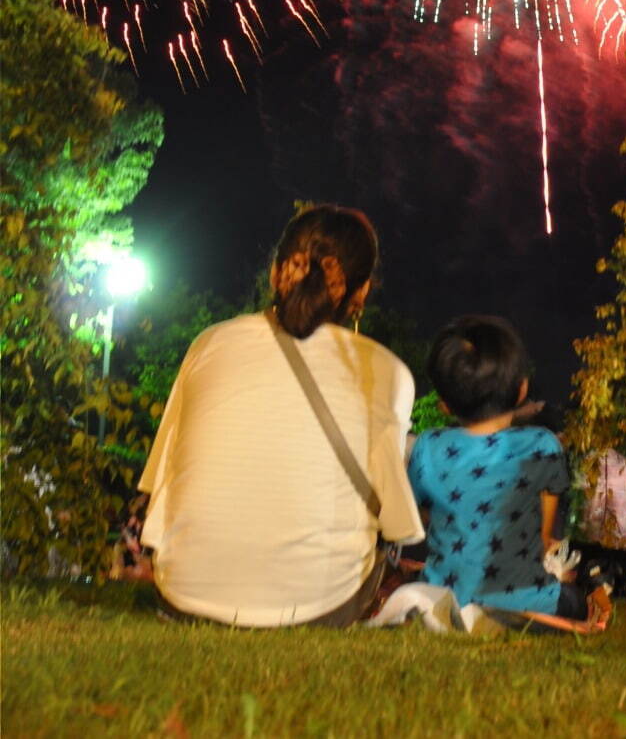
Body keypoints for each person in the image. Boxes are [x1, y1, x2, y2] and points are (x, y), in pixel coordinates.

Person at [139, 205, 423, 625]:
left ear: (276, 273)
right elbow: (398, 523)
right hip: (321, 604)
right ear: (361, 292)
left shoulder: (209, 344)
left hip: (182, 596)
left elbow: (158, 480)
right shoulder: (386, 371)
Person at [407, 314, 584, 617]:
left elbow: (421, 515)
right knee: (575, 597)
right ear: (522, 389)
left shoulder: (428, 446)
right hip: (530, 602)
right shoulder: (543, 445)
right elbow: (543, 535)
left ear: (444, 404)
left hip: (447, 599)